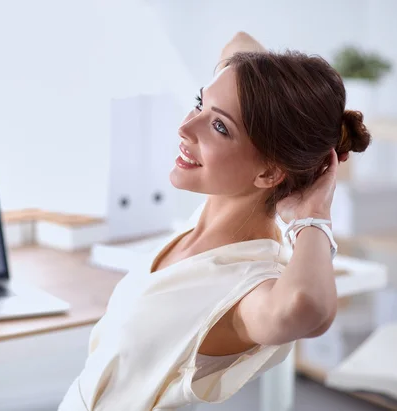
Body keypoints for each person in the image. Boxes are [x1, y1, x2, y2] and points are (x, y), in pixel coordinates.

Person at [58, 32, 371, 410]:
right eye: (199, 104)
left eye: (220, 127)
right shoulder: (211, 218)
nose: (186, 128)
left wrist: (313, 215)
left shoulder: (245, 284)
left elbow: (306, 308)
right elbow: (239, 43)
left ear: (270, 174)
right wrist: (266, 91)